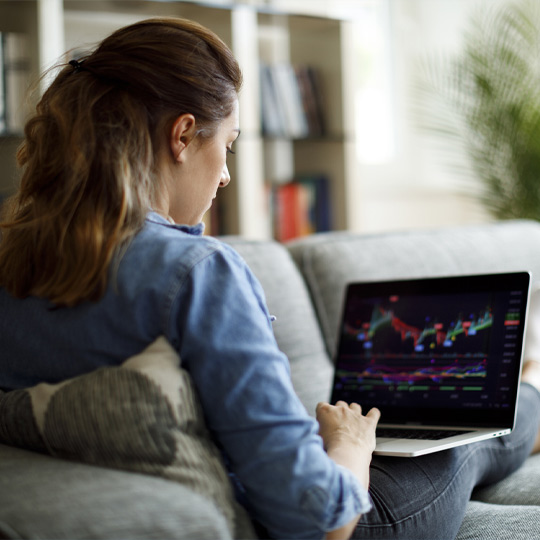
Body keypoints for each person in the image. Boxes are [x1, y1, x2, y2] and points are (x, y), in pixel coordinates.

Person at [0, 17, 539, 540]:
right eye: (228, 146)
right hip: (327, 519)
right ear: (183, 135)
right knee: (466, 440)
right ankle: (533, 388)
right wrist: (350, 444)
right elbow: (323, 520)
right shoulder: (196, 273)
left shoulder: (14, 261)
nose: (228, 174)